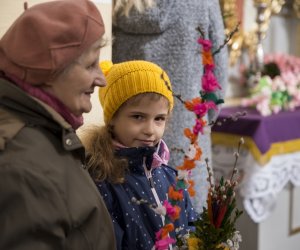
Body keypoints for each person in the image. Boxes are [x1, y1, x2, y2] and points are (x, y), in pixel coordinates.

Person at [0, 1, 116, 249]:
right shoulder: (23, 167)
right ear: (50, 70)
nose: (102, 80)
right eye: (90, 65)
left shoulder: (40, 131)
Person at [111, 0, 228, 212]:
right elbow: (217, 79)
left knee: (135, 224)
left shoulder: (117, 5)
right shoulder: (202, 4)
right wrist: (202, 120)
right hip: (188, 138)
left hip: (124, 138)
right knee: (188, 225)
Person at [81, 60, 197, 250]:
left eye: (159, 119)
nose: (150, 130)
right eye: (138, 117)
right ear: (112, 119)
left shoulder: (172, 178)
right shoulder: (101, 180)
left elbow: (191, 229)